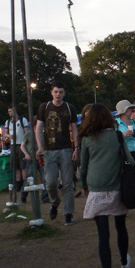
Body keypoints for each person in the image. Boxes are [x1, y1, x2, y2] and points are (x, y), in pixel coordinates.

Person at [80, 103, 134, 268]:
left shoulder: (87, 139)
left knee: (103, 236)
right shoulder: (117, 136)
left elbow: (83, 168)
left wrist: (85, 186)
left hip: (96, 189)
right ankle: (123, 260)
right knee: (121, 227)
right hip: (117, 188)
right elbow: (131, 160)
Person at [36, 82, 79, 225]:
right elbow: (38, 128)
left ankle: (68, 213)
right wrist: (40, 146)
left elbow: (74, 128)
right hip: (49, 150)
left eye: (60, 92)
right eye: (56, 92)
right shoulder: (45, 107)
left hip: (66, 149)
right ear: (51, 93)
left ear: (64, 93)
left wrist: (76, 148)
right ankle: (55, 202)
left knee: (67, 183)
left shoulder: (69, 108)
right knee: (50, 183)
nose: (58, 94)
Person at [115, 99, 135, 222]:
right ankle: (124, 207)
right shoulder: (116, 124)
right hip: (125, 154)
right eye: (130, 109)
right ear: (124, 110)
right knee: (126, 181)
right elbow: (114, 140)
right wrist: (123, 136)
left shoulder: (133, 121)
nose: (133, 110)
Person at [4, 107, 29, 193]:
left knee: (23, 165)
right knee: (15, 165)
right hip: (12, 145)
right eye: (8, 111)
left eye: (11, 111)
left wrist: (25, 142)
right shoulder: (8, 122)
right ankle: (18, 184)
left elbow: (27, 132)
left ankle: (25, 183)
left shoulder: (23, 120)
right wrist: (9, 136)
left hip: (21, 144)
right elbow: (5, 133)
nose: (9, 113)